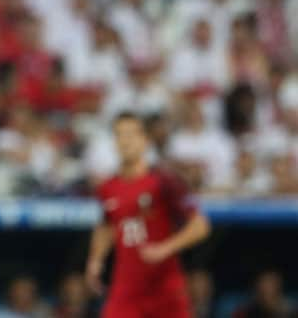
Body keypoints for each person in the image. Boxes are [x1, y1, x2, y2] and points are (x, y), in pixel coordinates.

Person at [85, 112, 212, 318]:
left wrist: (165, 248)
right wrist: (96, 260)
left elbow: (200, 226)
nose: (125, 141)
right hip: (126, 288)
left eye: (131, 134)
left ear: (145, 141)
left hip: (164, 286)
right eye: (119, 135)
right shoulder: (108, 188)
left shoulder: (164, 181)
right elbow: (107, 224)